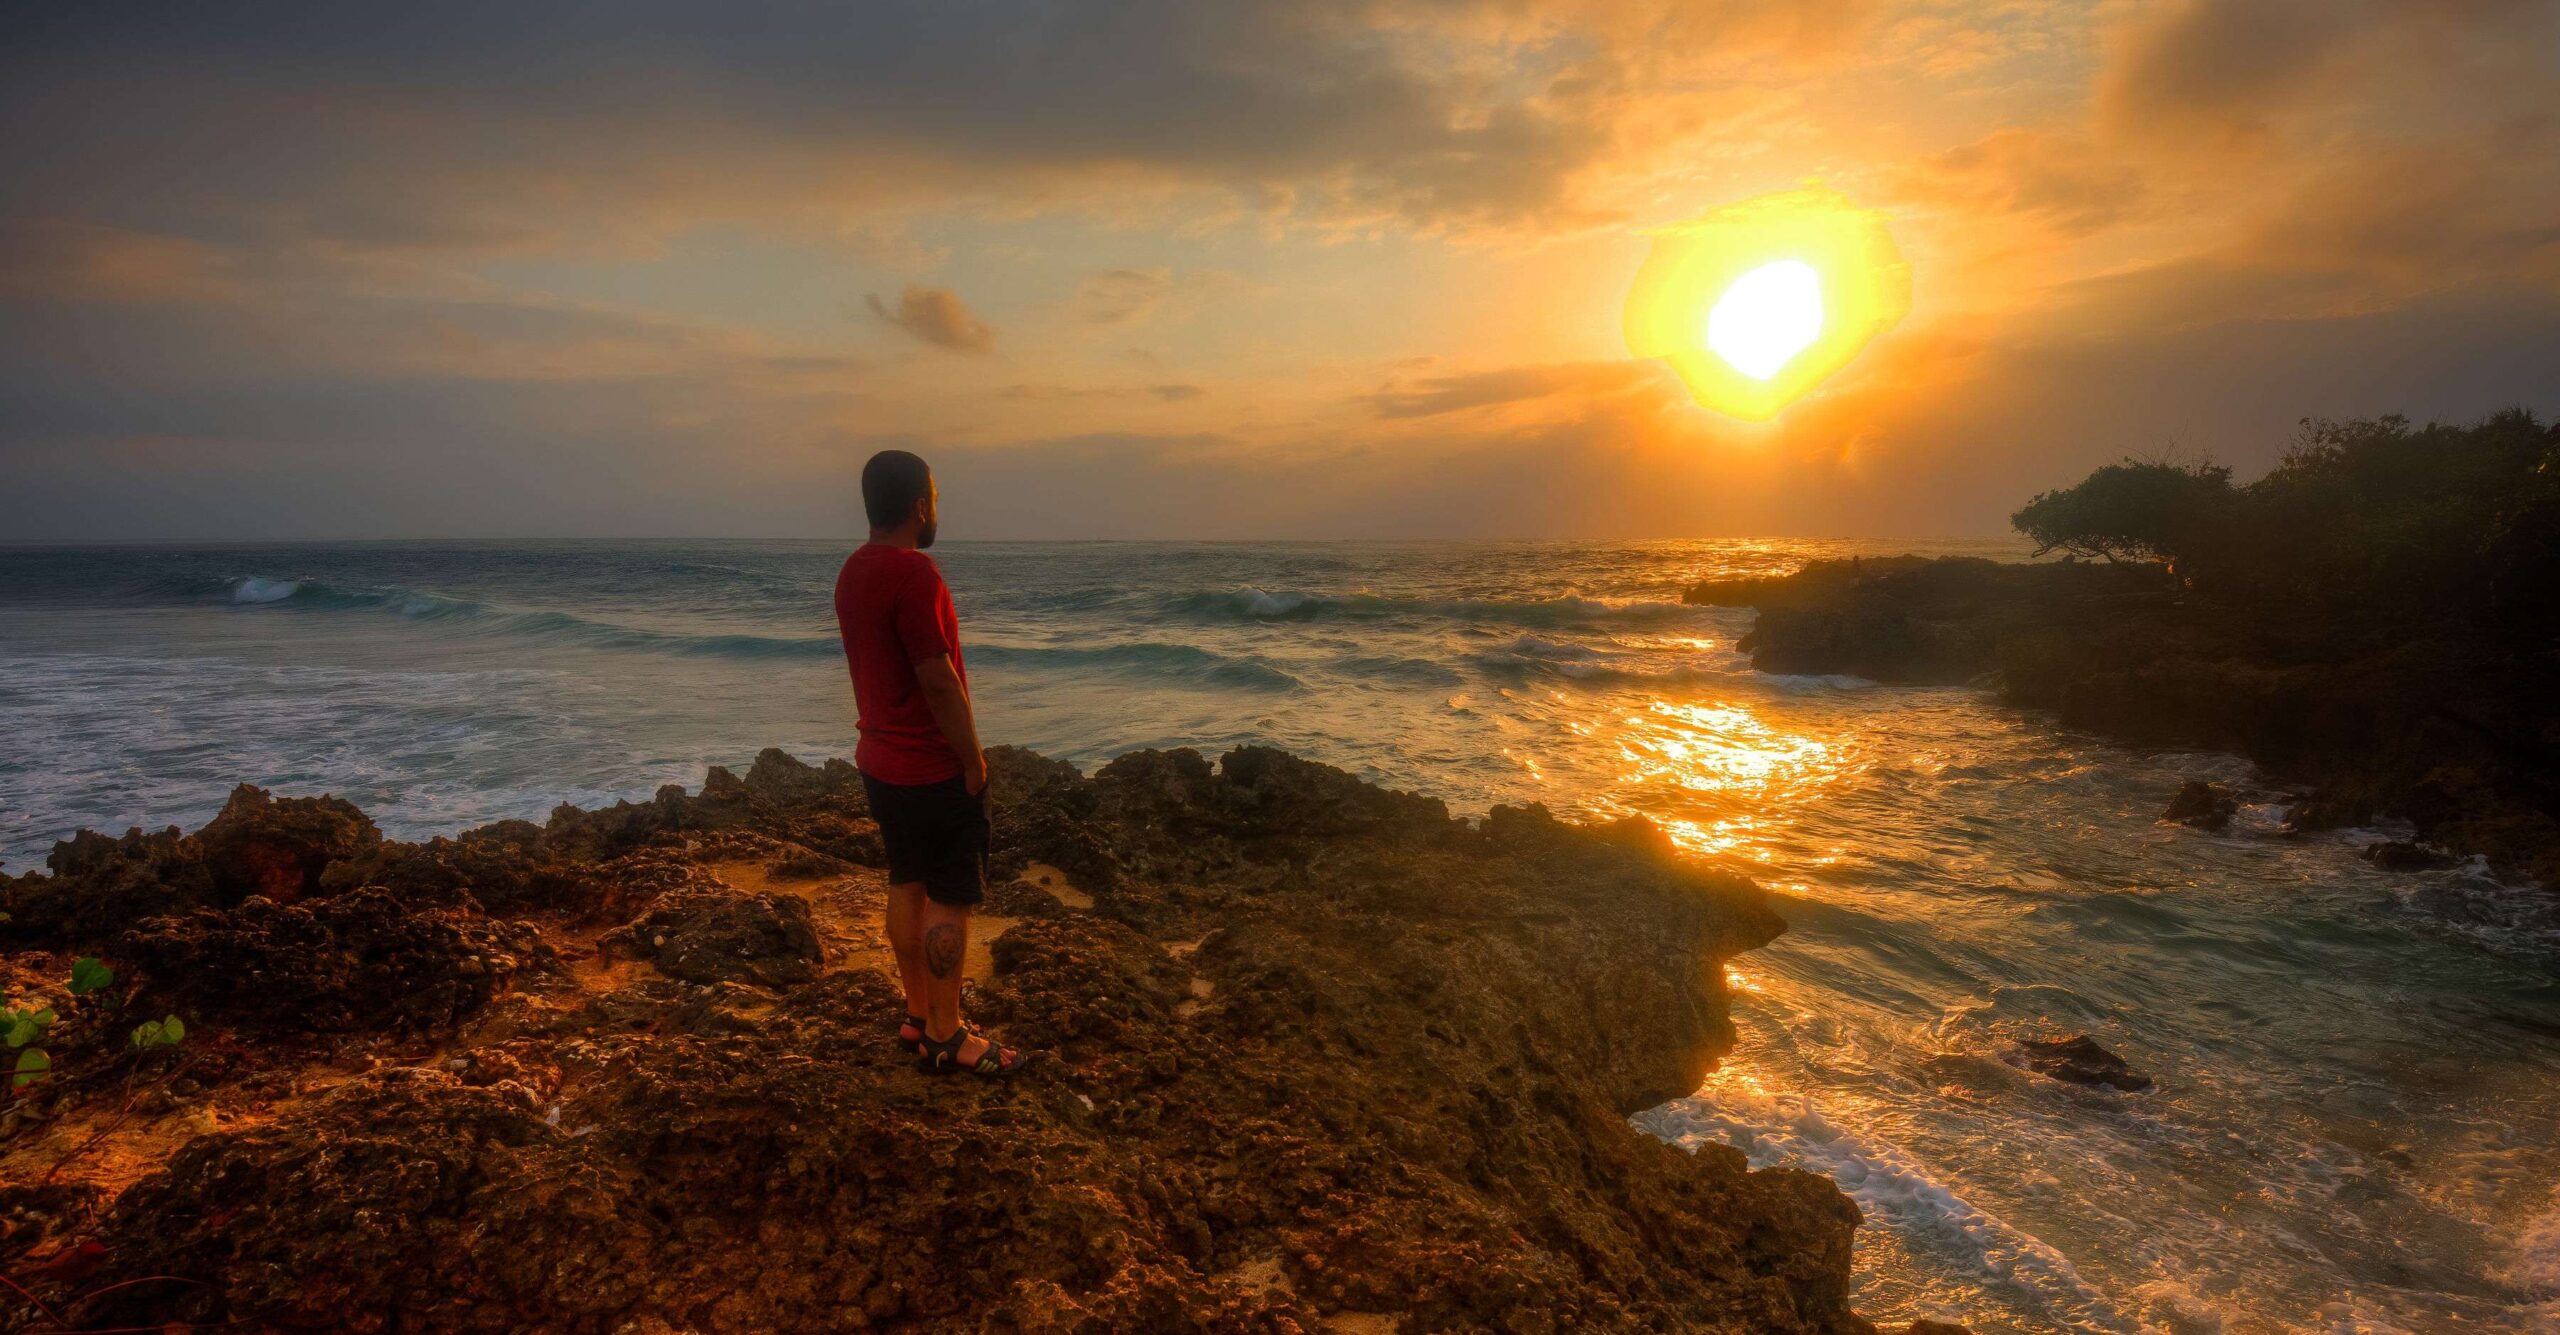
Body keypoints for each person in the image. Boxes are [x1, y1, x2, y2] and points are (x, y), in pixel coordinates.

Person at [833, 450, 1028, 1079]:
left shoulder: (853, 572)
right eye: (935, 498)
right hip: (929, 768)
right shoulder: (915, 576)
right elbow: (938, 681)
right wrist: (973, 762)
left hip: (879, 762)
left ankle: (918, 1013)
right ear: (920, 505)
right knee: (949, 899)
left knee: (905, 881)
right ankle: (946, 1036)